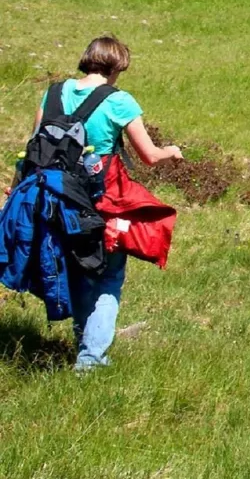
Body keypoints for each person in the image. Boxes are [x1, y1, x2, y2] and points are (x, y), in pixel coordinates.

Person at [30, 37, 182, 372]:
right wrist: (172, 151)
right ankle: (90, 360)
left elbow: (34, 149)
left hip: (55, 201)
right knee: (107, 276)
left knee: (79, 270)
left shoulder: (54, 93)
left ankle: (84, 346)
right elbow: (150, 156)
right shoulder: (119, 101)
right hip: (101, 203)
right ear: (116, 67)